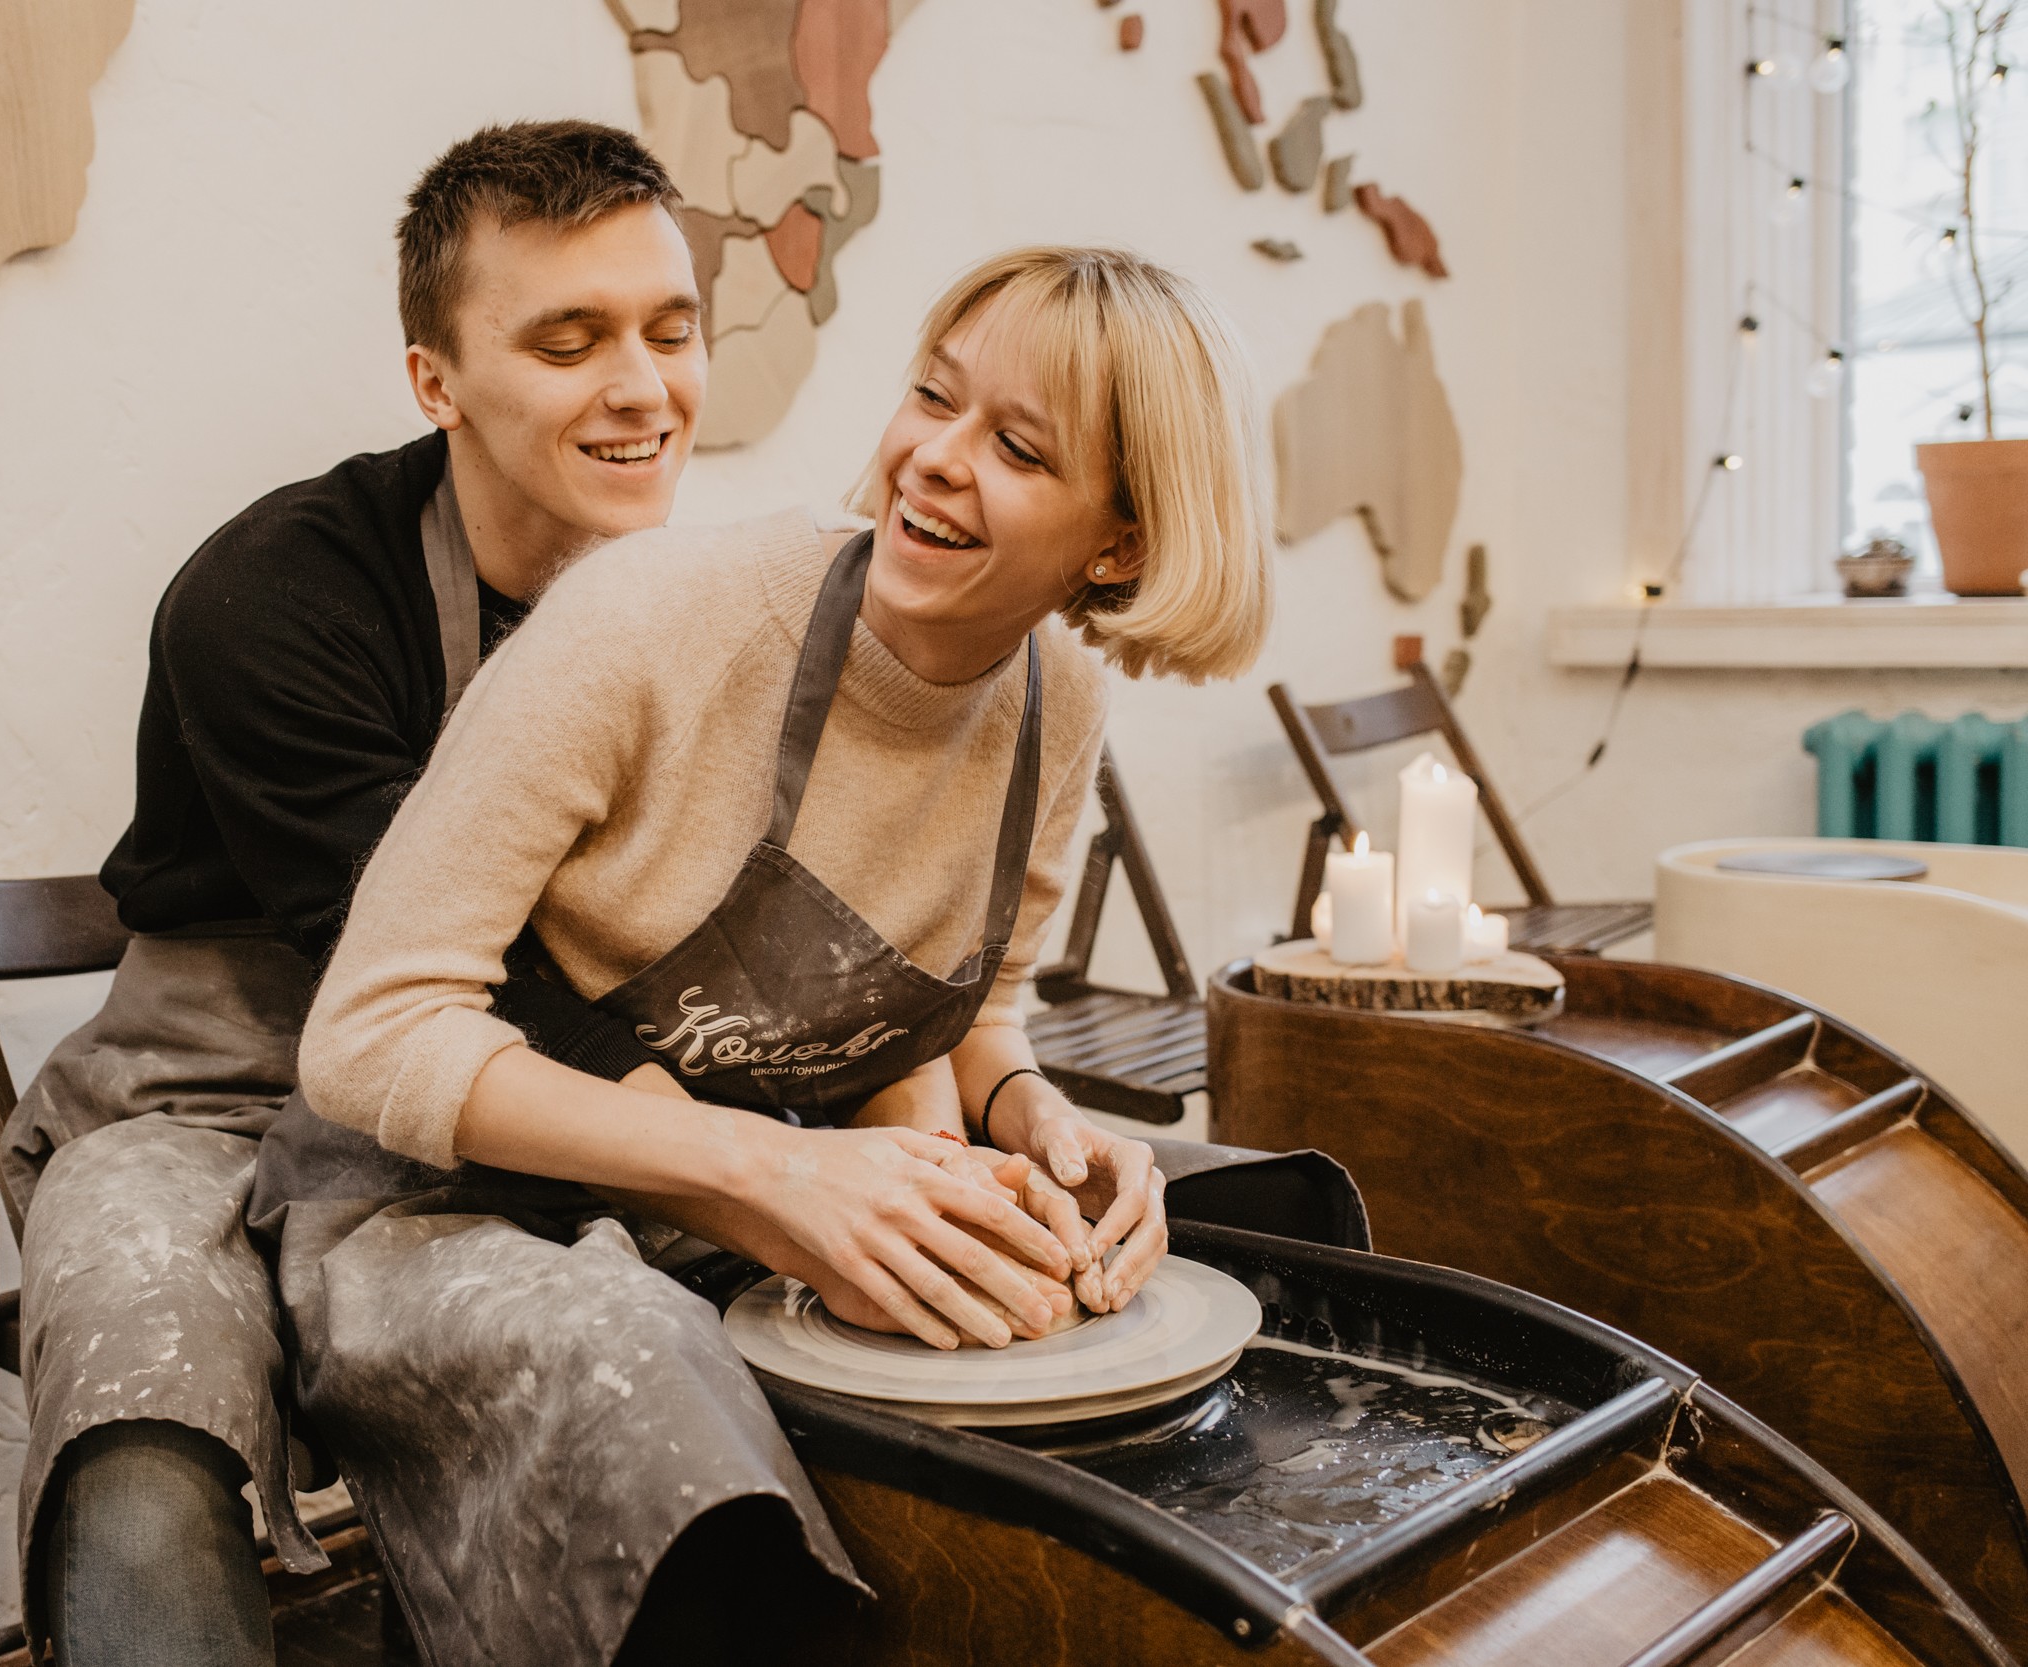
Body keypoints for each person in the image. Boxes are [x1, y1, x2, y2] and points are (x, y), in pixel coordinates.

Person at [278, 245, 1361, 1667]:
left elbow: (970, 1008)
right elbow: (370, 1036)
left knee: (1278, 1232)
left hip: (749, 1178)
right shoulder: (651, 621)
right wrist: (775, 1176)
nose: (936, 458)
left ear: (1118, 545)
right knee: (682, 1452)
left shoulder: (1058, 698)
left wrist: (1036, 1120)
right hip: (439, 1197)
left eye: (1019, 448)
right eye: (936, 397)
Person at [0, 121, 713, 1667]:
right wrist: (746, 1165)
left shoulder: (684, 616)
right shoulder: (276, 592)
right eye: (570, 341)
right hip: (208, 1107)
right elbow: (411, 969)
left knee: (641, 1367)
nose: (643, 388)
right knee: (141, 1447)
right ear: (434, 381)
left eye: (671, 330)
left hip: (490, 1115)